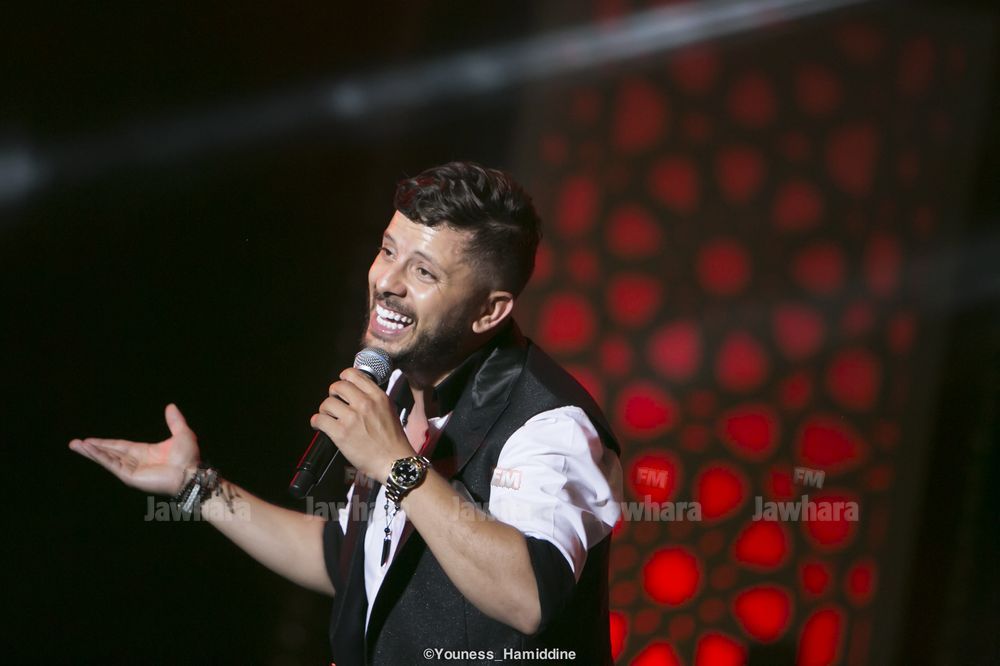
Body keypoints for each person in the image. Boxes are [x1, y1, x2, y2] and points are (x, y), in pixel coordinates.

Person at [69, 161, 624, 665]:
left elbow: (528, 597)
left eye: (424, 273)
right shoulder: (399, 385)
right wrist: (197, 486)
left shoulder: (550, 425)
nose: (387, 282)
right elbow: (345, 559)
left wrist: (396, 464)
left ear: (489, 311)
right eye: (388, 251)